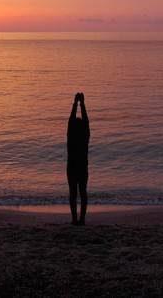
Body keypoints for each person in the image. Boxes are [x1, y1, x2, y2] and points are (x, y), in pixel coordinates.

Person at [67, 92, 90, 225]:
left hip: (72, 167)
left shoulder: (71, 136)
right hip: (82, 167)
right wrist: (82, 104)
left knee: (73, 194)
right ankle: (82, 219)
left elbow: (71, 120)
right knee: (82, 193)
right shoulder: (85, 137)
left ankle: (75, 219)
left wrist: (76, 103)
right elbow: (86, 121)